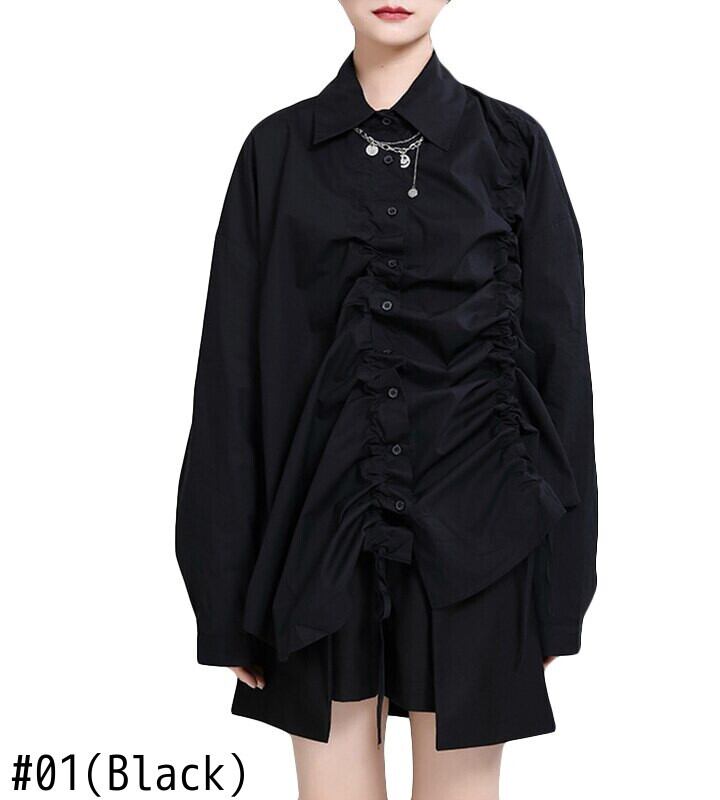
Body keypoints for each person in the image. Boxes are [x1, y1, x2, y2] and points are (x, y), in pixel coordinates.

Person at [175, 1, 598, 798]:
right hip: (316, 542)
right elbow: (231, 381)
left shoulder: (514, 150)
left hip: (482, 543)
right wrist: (223, 592)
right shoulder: (275, 155)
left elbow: (562, 378)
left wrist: (560, 590)